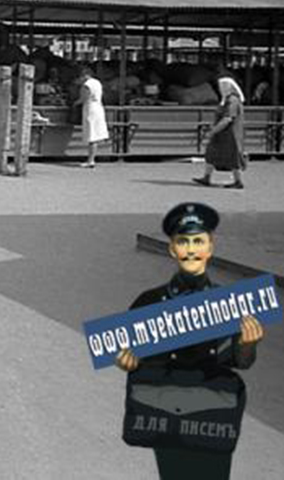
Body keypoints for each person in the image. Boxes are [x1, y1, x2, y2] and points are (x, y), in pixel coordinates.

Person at [115, 203, 264, 479]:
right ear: (172, 249)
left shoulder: (231, 305)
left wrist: (248, 344)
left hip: (214, 416)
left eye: (198, 241)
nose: (191, 249)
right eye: (183, 242)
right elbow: (132, 358)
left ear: (210, 248)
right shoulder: (148, 302)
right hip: (166, 414)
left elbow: (242, 362)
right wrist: (127, 361)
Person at [194, 77, 247, 190]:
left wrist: (214, 130)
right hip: (222, 133)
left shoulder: (233, 100)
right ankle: (206, 177)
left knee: (233, 157)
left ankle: (238, 181)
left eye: (222, 86)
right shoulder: (226, 99)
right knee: (212, 153)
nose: (220, 88)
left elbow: (228, 118)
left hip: (230, 134)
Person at [75, 66, 108, 168]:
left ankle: (90, 160)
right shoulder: (97, 82)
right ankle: (91, 159)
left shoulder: (87, 85)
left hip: (90, 109)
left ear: (85, 75)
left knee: (91, 136)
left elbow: (84, 98)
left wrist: (74, 103)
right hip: (98, 108)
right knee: (94, 135)